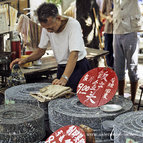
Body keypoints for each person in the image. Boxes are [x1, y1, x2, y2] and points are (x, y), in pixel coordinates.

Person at [10, 3, 90, 92]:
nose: (48, 31)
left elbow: (74, 54)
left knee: (79, 99)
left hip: (78, 67)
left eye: (51, 28)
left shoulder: (73, 25)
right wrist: (24, 60)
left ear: (59, 18)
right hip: (62, 67)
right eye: (46, 28)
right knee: (61, 98)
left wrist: (64, 78)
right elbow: (41, 50)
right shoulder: (47, 27)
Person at [113, 0, 141, 104]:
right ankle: (121, 101)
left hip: (130, 29)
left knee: (132, 69)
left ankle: (132, 102)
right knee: (118, 68)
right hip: (117, 30)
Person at [101, 0, 114, 68]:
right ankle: (110, 67)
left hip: (119, 29)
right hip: (108, 29)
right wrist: (107, 17)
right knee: (108, 49)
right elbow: (101, 13)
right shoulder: (106, 0)